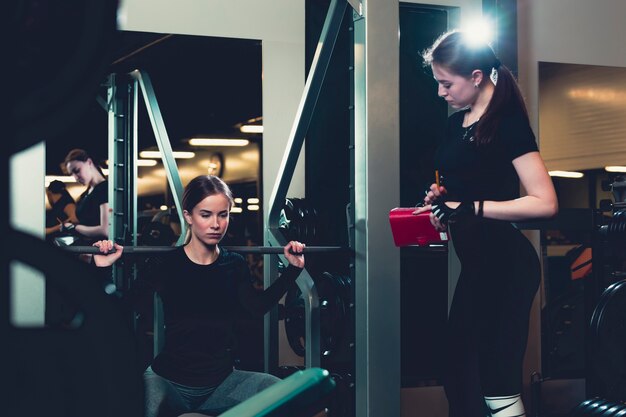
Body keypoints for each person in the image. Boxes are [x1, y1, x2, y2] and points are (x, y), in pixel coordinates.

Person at [415, 30, 558, 417]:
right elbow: (466, 186)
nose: (441, 93)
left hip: (508, 264)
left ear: (476, 76)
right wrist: (443, 200)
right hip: (477, 266)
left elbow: (545, 202)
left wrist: (472, 207)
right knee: (457, 373)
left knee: (497, 378)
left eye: (447, 84)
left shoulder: (508, 123)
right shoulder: (455, 125)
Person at [93, 175, 305, 417]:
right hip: (168, 382)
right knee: (139, 405)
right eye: (206, 215)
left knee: (283, 394)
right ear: (188, 216)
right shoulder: (166, 264)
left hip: (222, 384)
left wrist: (293, 270)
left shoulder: (234, 264)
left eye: (222, 215)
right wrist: (103, 270)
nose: (216, 224)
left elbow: (256, 308)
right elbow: (123, 307)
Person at [61, 149, 108, 244]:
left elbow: (105, 230)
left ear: (89, 162)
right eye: (72, 174)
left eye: (77, 171)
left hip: (99, 252)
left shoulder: (104, 189)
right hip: (86, 250)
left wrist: (76, 228)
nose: (75, 177)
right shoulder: (86, 194)